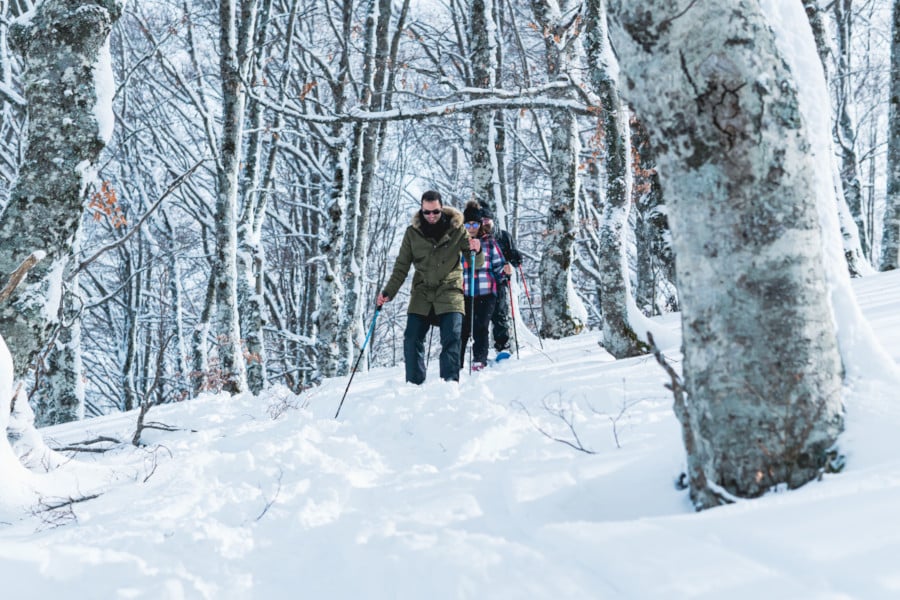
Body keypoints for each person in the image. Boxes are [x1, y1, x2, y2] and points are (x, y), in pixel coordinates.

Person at [377, 190, 483, 384]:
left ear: (441, 209)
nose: (431, 216)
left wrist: (478, 248)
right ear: (421, 210)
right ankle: (414, 383)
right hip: (422, 291)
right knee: (411, 337)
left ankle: (449, 383)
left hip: (450, 290)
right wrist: (388, 292)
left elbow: (476, 262)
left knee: (452, 336)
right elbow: (401, 266)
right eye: (427, 212)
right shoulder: (412, 233)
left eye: (435, 212)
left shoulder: (458, 230)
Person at [459, 201, 511, 372]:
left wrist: (505, 273)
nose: (471, 227)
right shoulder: (459, 244)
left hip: (486, 292)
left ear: (480, 224)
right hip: (465, 293)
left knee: (480, 326)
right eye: (468, 224)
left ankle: (479, 359)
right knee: (462, 328)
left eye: (475, 224)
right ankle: (456, 361)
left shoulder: (489, 242)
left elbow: (498, 264)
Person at [479, 206, 522, 355]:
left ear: (492, 220)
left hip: (500, 281)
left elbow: (513, 257)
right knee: (480, 318)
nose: (484, 224)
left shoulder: (503, 236)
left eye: (486, 220)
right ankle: (479, 351)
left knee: (500, 315)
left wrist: (515, 259)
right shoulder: (475, 237)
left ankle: (502, 347)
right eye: (481, 221)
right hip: (481, 283)